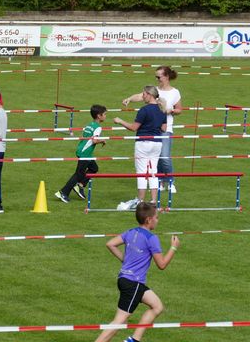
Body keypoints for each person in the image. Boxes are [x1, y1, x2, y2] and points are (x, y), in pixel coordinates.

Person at [95, 202, 180, 342]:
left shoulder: (130, 232)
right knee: (119, 321)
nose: (158, 220)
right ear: (149, 220)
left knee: (157, 306)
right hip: (133, 283)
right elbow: (162, 265)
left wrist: (126, 261)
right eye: (156, 217)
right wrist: (173, 248)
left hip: (126, 280)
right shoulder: (152, 238)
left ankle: (134, 340)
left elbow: (110, 244)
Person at [122, 66, 182, 193]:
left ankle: (170, 181)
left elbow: (179, 110)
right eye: (156, 76)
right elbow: (140, 96)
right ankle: (159, 181)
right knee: (157, 157)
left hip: (166, 127)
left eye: (158, 76)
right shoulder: (155, 90)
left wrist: (169, 110)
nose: (157, 79)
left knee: (165, 158)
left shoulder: (174, 92)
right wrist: (129, 99)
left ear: (166, 77)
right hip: (152, 128)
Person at [114, 86, 167, 206]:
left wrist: (120, 121)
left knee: (142, 172)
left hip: (143, 143)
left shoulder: (144, 110)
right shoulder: (162, 109)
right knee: (153, 171)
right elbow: (164, 129)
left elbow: (133, 128)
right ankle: (154, 200)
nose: (142, 96)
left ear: (149, 95)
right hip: (157, 143)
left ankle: (141, 201)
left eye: (144, 94)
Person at [55, 104, 107, 203]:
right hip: (85, 154)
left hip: (81, 150)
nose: (105, 116)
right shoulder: (98, 128)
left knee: (94, 168)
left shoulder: (89, 125)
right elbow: (94, 140)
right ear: (99, 116)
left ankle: (80, 185)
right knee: (78, 174)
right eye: (104, 114)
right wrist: (103, 140)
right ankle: (63, 192)